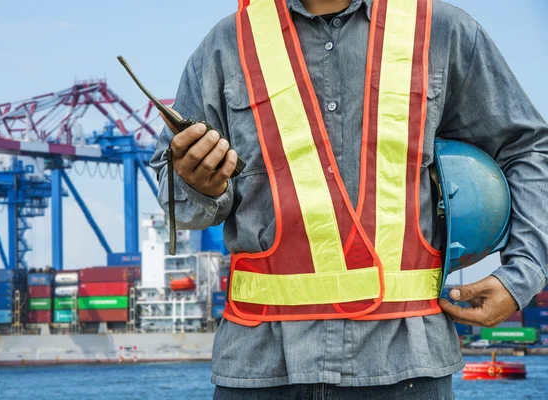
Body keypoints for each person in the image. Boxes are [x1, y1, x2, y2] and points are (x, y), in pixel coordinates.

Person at [150, 0, 548, 398]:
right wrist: (197, 183)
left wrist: (522, 276)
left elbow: (527, 148)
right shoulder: (228, 44)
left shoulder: (439, 30)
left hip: (404, 366)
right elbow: (177, 201)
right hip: (261, 369)